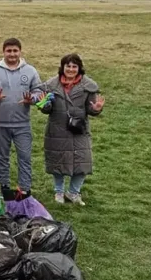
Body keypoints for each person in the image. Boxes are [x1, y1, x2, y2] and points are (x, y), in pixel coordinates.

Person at [37, 53, 105, 205]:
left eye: (74, 66)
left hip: (79, 130)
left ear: (79, 68)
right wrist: (43, 105)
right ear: (63, 67)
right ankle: (59, 192)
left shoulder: (89, 86)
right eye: (68, 66)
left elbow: (91, 109)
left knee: (83, 162)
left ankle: (74, 192)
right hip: (57, 129)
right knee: (58, 162)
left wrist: (96, 109)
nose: (71, 69)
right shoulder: (50, 86)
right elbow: (46, 109)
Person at [0, 37, 43, 197]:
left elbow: (39, 91)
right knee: (1, 157)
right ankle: (4, 188)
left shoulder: (30, 71)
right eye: (9, 51)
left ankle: (25, 189)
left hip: (22, 124)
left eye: (15, 51)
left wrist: (33, 99)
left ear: (20, 52)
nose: (12, 54)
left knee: (24, 157)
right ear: (3, 52)